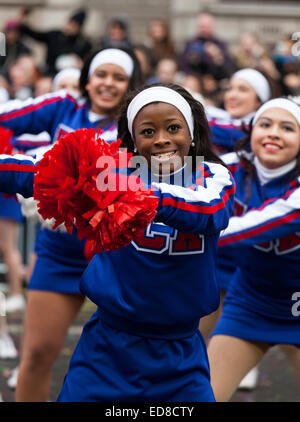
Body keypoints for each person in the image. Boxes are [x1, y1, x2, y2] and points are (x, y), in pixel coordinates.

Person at [0, 84, 236, 401]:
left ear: (191, 132)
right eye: (148, 131)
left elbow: (210, 210)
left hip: (179, 355)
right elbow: (37, 172)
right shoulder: (112, 171)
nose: (162, 139)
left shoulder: (213, 176)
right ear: (133, 140)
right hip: (107, 349)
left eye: (174, 127)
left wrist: (143, 197)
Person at [0, 46, 142, 401]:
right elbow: (5, 116)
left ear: (131, 85)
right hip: (59, 252)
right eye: (101, 74)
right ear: (87, 78)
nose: (108, 83)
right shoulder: (64, 105)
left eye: (119, 77)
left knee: (127, 365)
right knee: (36, 354)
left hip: (116, 256)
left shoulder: (139, 123)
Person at [207, 98, 300, 401]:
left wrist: (188, 225)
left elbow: (246, 229)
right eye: (265, 124)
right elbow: (174, 177)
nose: (273, 133)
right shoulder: (229, 167)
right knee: (201, 396)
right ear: (252, 131)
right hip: (251, 300)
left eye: (287, 128)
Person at [18, 7, 92, 74]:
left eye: (74, 25)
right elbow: (34, 34)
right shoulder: (54, 35)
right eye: (70, 23)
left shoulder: (83, 43)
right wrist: (22, 21)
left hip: (68, 74)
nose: (70, 27)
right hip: (49, 72)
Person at [179, 12, 233, 81]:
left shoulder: (220, 45)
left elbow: (227, 70)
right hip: (195, 82)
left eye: (207, 27)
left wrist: (217, 56)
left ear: (212, 27)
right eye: (201, 27)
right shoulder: (190, 44)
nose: (204, 30)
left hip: (216, 83)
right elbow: (183, 66)